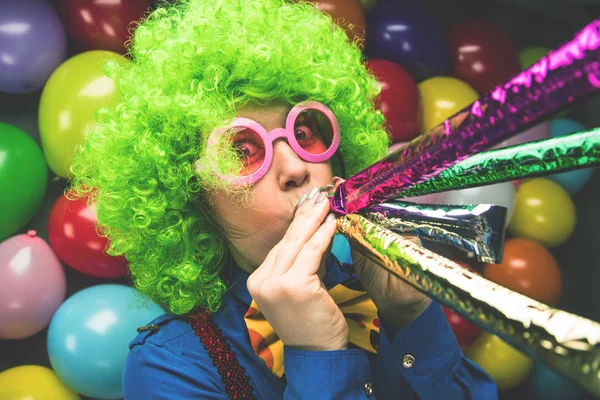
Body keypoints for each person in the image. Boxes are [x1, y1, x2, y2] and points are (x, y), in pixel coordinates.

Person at [69, 0, 498, 398]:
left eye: (304, 132)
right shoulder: (170, 366)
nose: (296, 168)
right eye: (242, 150)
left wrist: (411, 316)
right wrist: (318, 355)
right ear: (193, 199)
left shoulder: (388, 292)